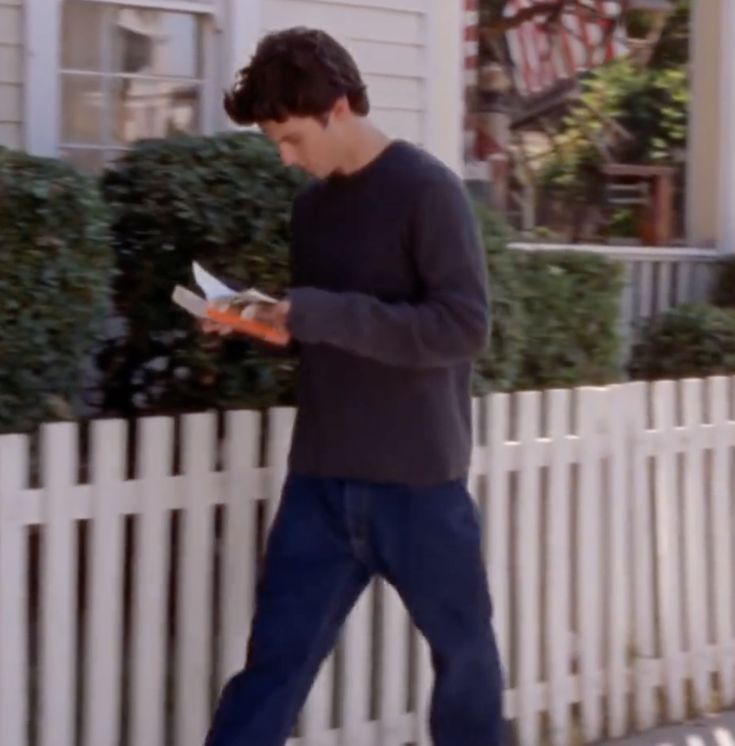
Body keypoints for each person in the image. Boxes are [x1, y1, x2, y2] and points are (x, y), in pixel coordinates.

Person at [202, 26, 505, 746]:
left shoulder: (427, 190)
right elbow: (332, 329)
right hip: (321, 479)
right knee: (271, 667)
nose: (286, 157)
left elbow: (462, 327)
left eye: (292, 138)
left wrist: (318, 312)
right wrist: (263, 321)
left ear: (338, 107)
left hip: (418, 483)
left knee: (463, 660)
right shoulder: (312, 210)